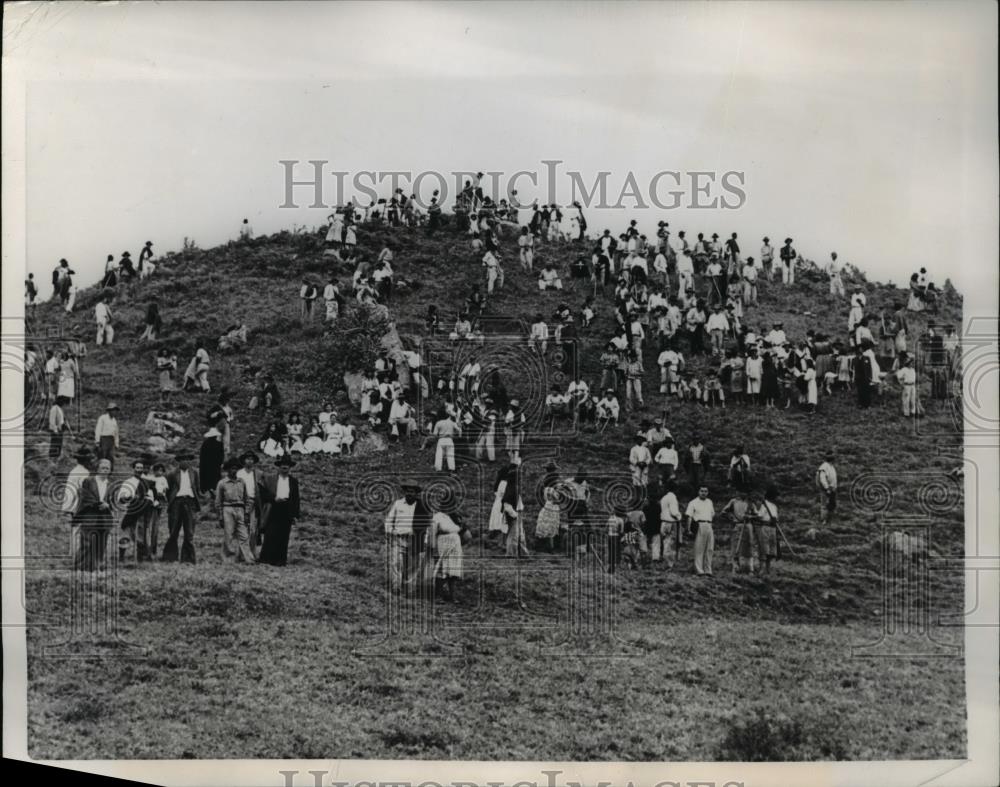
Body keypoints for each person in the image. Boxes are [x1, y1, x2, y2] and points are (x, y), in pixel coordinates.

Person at [384, 482, 431, 592]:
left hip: (414, 540)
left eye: (412, 491)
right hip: (398, 539)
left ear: (416, 493)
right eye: (408, 491)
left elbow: (427, 526)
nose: (410, 493)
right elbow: (389, 521)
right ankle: (396, 587)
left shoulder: (422, 506)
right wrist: (392, 531)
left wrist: (425, 540)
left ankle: (410, 589)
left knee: (413, 566)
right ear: (404, 492)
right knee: (396, 563)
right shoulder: (398, 504)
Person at [258, 455, 302, 566]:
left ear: (290, 467)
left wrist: (295, 515)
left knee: (284, 535)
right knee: (270, 533)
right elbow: (263, 493)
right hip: (274, 507)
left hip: (287, 508)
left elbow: (296, 498)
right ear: (278, 467)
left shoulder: (293, 481)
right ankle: (266, 559)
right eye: (282, 465)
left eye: (287, 465)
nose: (284, 467)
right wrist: (273, 498)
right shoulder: (271, 479)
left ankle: (280, 560)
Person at [73, 458, 114, 572]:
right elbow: (84, 496)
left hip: (104, 517)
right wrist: (97, 504)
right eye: (103, 468)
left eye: (107, 468)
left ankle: (95, 567)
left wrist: (108, 505)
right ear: (98, 468)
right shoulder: (89, 481)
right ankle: (79, 567)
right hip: (90, 515)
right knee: (86, 542)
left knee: (101, 543)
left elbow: (113, 500)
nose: (105, 470)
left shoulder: (110, 484)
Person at [162, 452, 201, 563]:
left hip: (190, 502)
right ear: (178, 461)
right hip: (176, 502)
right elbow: (168, 491)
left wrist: (195, 501)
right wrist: (172, 501)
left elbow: (197, 488)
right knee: (173, 530)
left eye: (188, 459)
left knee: (189, 532)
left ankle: (188, 558)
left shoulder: (195, 473)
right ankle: (170, 557)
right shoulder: (172, 474)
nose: (185, 461)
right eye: (182, 459)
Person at [216, 458, 255, 564]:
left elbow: (246, 498)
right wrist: (220, 516)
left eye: (236, 469)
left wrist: (246, 512)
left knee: (244, 535)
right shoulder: (222, 483)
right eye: (231, 469)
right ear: (227, 470)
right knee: (229, 534)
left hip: (240, 509)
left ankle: (248, 558)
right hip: (227, 509)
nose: (234, 471)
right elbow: (218, 501)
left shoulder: (241, 482)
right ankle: (229, 558)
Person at [427, 506, 466, 602]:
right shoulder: (437, 517)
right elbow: (432, 533)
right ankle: (438, 596)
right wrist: (432, 547)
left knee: (454, 570)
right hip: (443, 544)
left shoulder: (455, 517)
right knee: (442, 569)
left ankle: (453, 596)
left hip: (455, 546)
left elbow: (463, 531)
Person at [117, 459, 152, 563]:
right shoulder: (128, 482)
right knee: (125, 533)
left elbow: (150, 496)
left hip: (142, 511)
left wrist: (146, 500)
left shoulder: (147, 482)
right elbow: (121, 497)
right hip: (130, 510)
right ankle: (121, 557)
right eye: (137, 468)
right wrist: (130, 497)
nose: (139, 470)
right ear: (133, 468)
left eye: (141, 468)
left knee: (140, 534)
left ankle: (139, 558)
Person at [236, 451, 265, 556]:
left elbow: (262, 489)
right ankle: (240, 554)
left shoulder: (258, 474)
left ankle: (252, 553)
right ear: (244, 460)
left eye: (252, 459)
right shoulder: (239, 473)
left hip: (254, 502)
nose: (250, 461)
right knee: (242, 528)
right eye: (247, 459)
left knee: (253, 529)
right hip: (241, 503)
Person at [685, 485, 716, 576]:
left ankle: (708, 570)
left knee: (709, 548)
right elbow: (689, 516)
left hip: (709, 524)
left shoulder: (709, 502)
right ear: (698, 492)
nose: (704, 493)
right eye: (702, 491)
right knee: (699, 548)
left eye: (705, 491)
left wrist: (708, 522)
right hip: (699, 524)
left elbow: (712, 514)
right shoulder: (693, 502)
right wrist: (688, 529)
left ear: (708, 492)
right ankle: (699, 570)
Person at [720, 489, 754, 573]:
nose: (743, 493)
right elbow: (723, 512)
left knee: (749, 545)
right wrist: (731, 517)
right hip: (737, 525)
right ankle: (735, 567)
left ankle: (749, 568)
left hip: (748, 525)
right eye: (741, 491)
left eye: (745, 491)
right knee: (736, 546)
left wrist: (750, 517)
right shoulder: (733, 501)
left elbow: (757, 515)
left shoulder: (749, 502)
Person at [753, 487, 780, 576]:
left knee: (771, 550)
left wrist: (775, 520)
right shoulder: (764, 505)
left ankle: (768, 569)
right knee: (764, 548)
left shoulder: (774, 506)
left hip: (773, 528)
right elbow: (760, 516)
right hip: (765, 527)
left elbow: (776, 518)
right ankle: (762, 569)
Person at [199, 417, 226, 494]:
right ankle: (214, 489)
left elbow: (202, 457)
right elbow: (221, 456)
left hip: (206, 465)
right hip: (215, 465)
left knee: (207, 477)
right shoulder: (219, 444)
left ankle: (207, 489)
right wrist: (220, 463)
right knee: (215, 478)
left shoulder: (205, 444)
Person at [816, 454, 838, 527]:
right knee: (825, 505)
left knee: (832, 504)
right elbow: (822, 479)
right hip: (826, 489)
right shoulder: (824, 467)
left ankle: (830, 519)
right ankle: (824, 520)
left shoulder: (831, 466)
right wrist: (827, 488)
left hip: (832, 488)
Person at [48, 395, 69, 460]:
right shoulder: (54, 408)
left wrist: (64, 425)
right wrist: (55, 430)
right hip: (55, 430)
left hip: (60, 430)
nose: (64, 405)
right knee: (54, 445)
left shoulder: (60, 409)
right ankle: (51, 459)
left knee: (59, 445)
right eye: (64, 403)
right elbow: (52, 421)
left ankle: (56, 459)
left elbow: (61, 420)